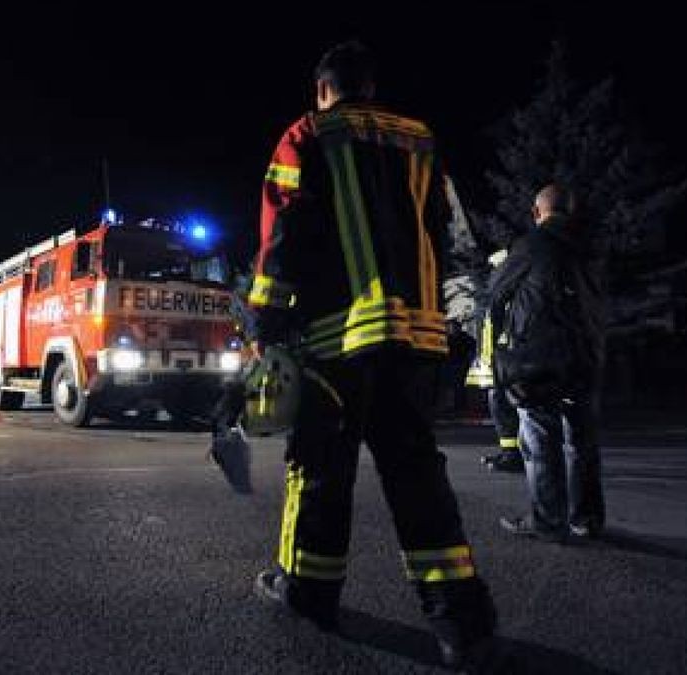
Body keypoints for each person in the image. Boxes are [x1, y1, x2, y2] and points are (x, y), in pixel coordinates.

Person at [246, 40, 495, 668]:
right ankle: (460, 622)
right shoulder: (420, 141)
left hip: (337, 339)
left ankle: (309, 593)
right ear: (371, 87)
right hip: (413, 338)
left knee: (321, 468)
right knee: (416, 473)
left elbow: (282, 236)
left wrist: (266, 321)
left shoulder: (307, 134)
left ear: (323, 89)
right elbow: (449, 230)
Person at [491, 185, 606, 542]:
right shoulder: (588, 250)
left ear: (537, 212)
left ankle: (548, 521)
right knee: (582, 442)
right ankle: (586, 519)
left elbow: (497, 291)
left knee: (540, 439)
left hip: (539, 360)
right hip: (585, 358)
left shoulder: (531, 245)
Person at [465, 250, 523, 473]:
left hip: (506, 359)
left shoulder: (507, 291)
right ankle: (511, 452)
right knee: (500, 404)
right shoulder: (493, 291)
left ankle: (514, 454)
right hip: (497, 359)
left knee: (506, 405)